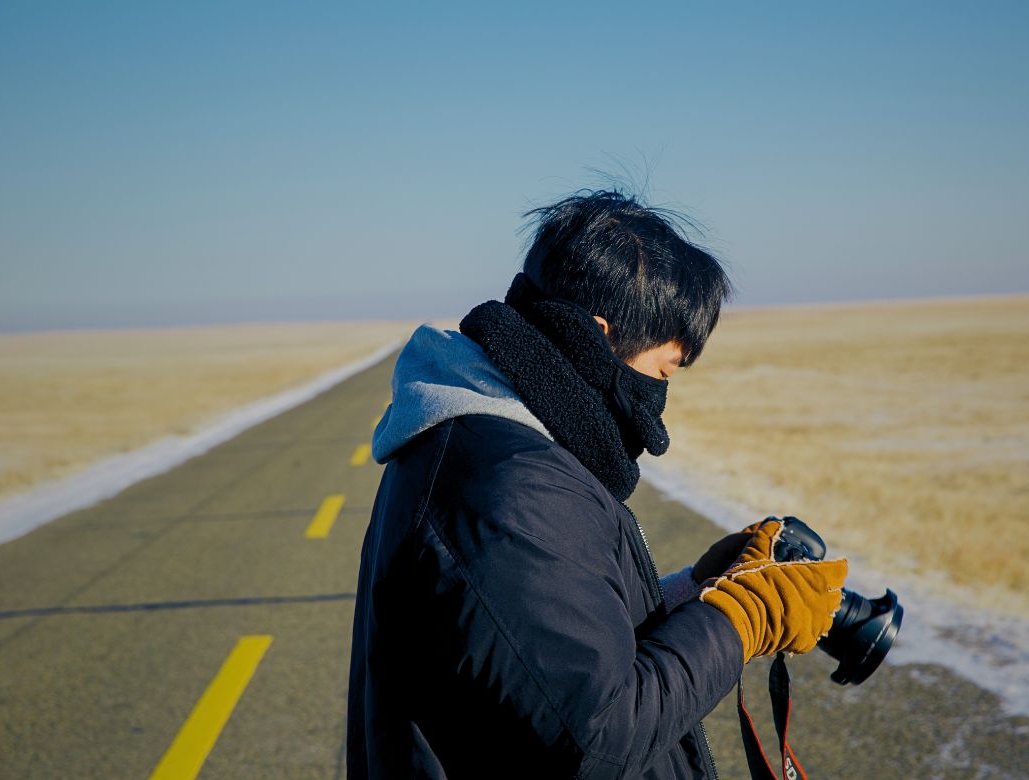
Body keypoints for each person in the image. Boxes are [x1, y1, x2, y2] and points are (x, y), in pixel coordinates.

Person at [347, 190, 847, 778]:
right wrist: (745, 616)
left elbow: (534, 645)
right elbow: (598, 734)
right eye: (663, 371)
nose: (661, 400)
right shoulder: (513, 489)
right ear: (596, 339)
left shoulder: (499, 450)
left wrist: (696, 592)